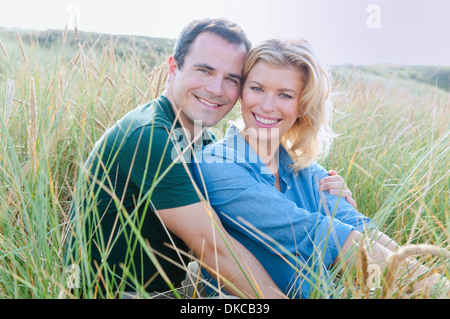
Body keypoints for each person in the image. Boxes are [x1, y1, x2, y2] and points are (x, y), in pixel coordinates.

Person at [65, 18, 351, 299]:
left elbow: (270, 216)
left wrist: (330, 199)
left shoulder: (204, 140)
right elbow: (214, 250)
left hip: (167, 284)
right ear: (173, 68)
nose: (216, 89)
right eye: (204, 70)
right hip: (110, 291)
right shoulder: (150, 136)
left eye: (231, 79)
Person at [192, 38, 449, 298]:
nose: (267, 105)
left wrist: (434, 283)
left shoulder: (307, 171)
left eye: (285, 95)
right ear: (241, 93)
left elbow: (360, 228)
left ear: (302, 105)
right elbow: (318, 234)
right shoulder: (215, 164)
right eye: (257, 88)